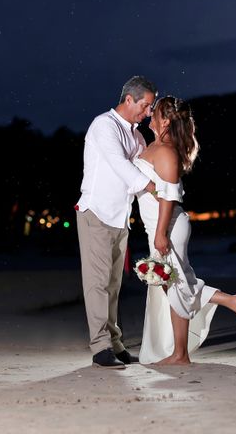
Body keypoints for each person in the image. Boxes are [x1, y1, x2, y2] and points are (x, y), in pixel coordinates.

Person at [134, 96, 236, 365]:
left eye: (156, 112)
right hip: (157, 225)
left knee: (176, 285)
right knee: (174, 284)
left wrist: (161, 233)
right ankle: (231, 302)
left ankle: (181, 353)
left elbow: (169, 196)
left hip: (169, 225)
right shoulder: (154, 145)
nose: (150, 114)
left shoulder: (165, 151)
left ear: (165, 120)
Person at [76, 75, 159, 369]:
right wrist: (151, 187)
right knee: (97, 284)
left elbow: (145, 161)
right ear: (128, 100)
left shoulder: (136, 135)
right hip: (96, 213)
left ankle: (115, 343)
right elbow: (121, 165)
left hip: (120, 217)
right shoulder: (103, 125)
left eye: (151, 108)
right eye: (146, 106)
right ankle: (100, 348)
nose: (148, 112)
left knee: (113, 284)